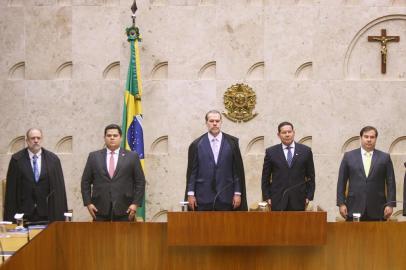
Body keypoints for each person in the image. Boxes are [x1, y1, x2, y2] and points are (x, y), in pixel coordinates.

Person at [185, 110, 247, 211]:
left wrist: (237, 193)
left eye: (217, 121)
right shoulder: (197, 144)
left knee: (227, 227)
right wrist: (191, 194)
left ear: (221, 122)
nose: (214, 123)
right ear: (206, 123)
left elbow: (236, 171)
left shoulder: (232, 143)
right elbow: (192, 172)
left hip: (227, 197)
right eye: (211, 121)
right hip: (203, 198)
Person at [81, 124, 145, 221]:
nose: (112, 138)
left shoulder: (132, 157)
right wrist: (88, 203)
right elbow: (85, 182)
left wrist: (135, 204)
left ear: (121, 138)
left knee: (124, 236)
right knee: (100, 236)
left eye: (115, 136)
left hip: (126, 208)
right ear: (104, 138)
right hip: (99, 208)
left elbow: (140, 182)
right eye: (109, 135)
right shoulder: (94, 156)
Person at [4, 128, 68, 223]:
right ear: (27, 141)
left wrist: (61, 216)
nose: (36, 141)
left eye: (38, 138)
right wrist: (10, 219)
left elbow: (59, 190)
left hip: (47, 214)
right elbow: (11, 192)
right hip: (24, 214)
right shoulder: (16, 160)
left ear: (42, 139)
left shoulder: (53, 160)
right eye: (32, 138)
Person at [337, 126, 396, 221]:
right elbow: (341, 182)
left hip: (378, 208)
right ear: (361, 138)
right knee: (354, 235)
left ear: (376, 139)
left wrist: (390, 204)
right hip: (354, 206)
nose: (369, 140)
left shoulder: (385, 158)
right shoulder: (349, 156)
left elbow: (391, 183)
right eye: (366, 136)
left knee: (377, 236)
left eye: (372, 137)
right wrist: (341, 203)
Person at [261, 122, 315, 211]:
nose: (287, 135)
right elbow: (265, 177)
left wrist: (309, 196)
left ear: (294, 133)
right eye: (284, 132)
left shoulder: (306, 151)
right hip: (277, 198)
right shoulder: (271, 152)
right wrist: (267, 197)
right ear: (278, 135)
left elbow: (311, 176)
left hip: (299, 199)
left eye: (289, 132)